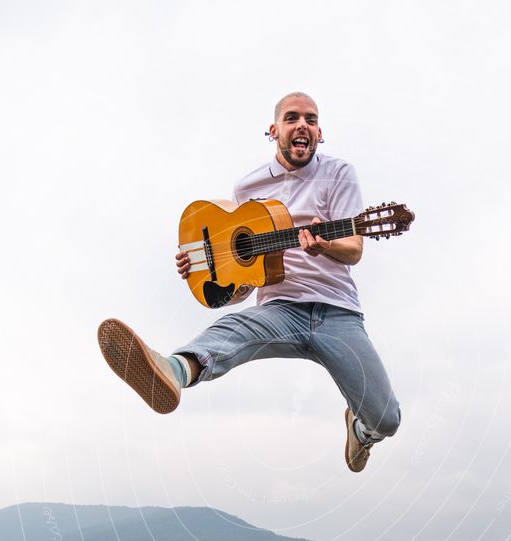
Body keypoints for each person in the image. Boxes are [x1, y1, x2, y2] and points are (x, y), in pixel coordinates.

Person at [98, 92, 400, 472]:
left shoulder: (338, 173)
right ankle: (171, 370)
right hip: (279, 308)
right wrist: (205, 268)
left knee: (387, 418)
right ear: (274, 130)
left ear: (320, 133)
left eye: (311, 119)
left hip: (338, 312)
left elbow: (354, 248)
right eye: (292, 118)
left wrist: (325, 245)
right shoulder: (248, 188)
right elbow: (242, 281)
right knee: (232, 330)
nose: (301, 125)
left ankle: (361, 430)